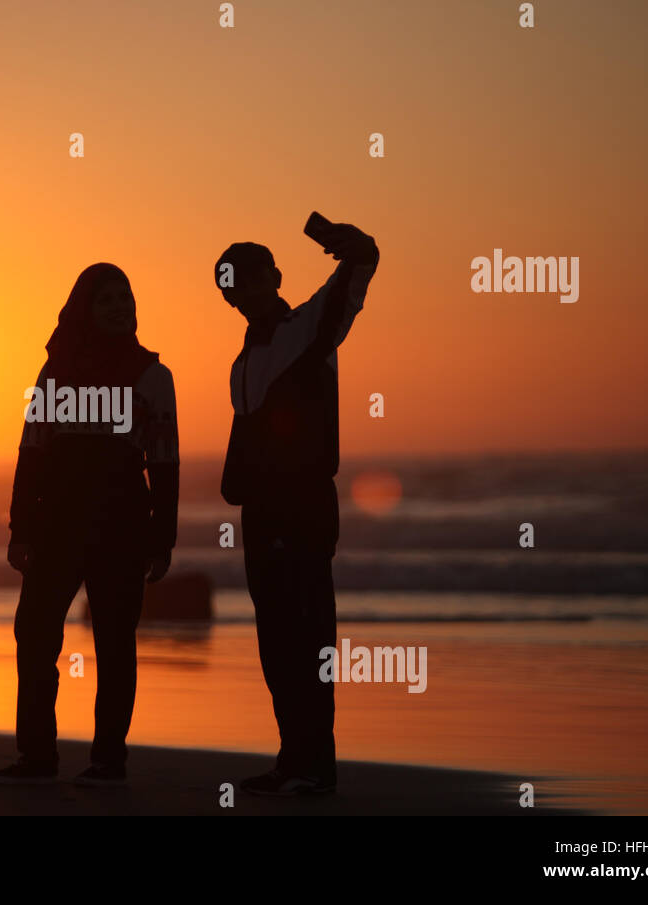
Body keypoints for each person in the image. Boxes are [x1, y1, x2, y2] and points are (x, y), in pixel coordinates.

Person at [0, 263, 179, 787]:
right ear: (84, 309)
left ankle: (107, 762)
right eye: (107, 300)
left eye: (127, 297)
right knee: (34, 635)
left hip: (122, 527)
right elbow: (30, 455)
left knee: (115, 644)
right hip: (56, 526)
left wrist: (162, 540)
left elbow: (164, 463)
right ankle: (36, 757)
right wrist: (19, 529)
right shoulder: (55, 375)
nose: (121, 307)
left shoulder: (152, 376)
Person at [214, 222, 379, 795]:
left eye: (251, 269)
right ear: (226, 293)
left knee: (309, 636)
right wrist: (233, 486)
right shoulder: (241, 362)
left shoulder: (307, 328)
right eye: (229, 277)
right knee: (275, 640)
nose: (241, 282)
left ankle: (315, 766)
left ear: (274, 277)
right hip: (260, 513)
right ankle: (292, 759)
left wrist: (343, 243)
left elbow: (358, 269)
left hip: (303, 505)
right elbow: (246, 433)